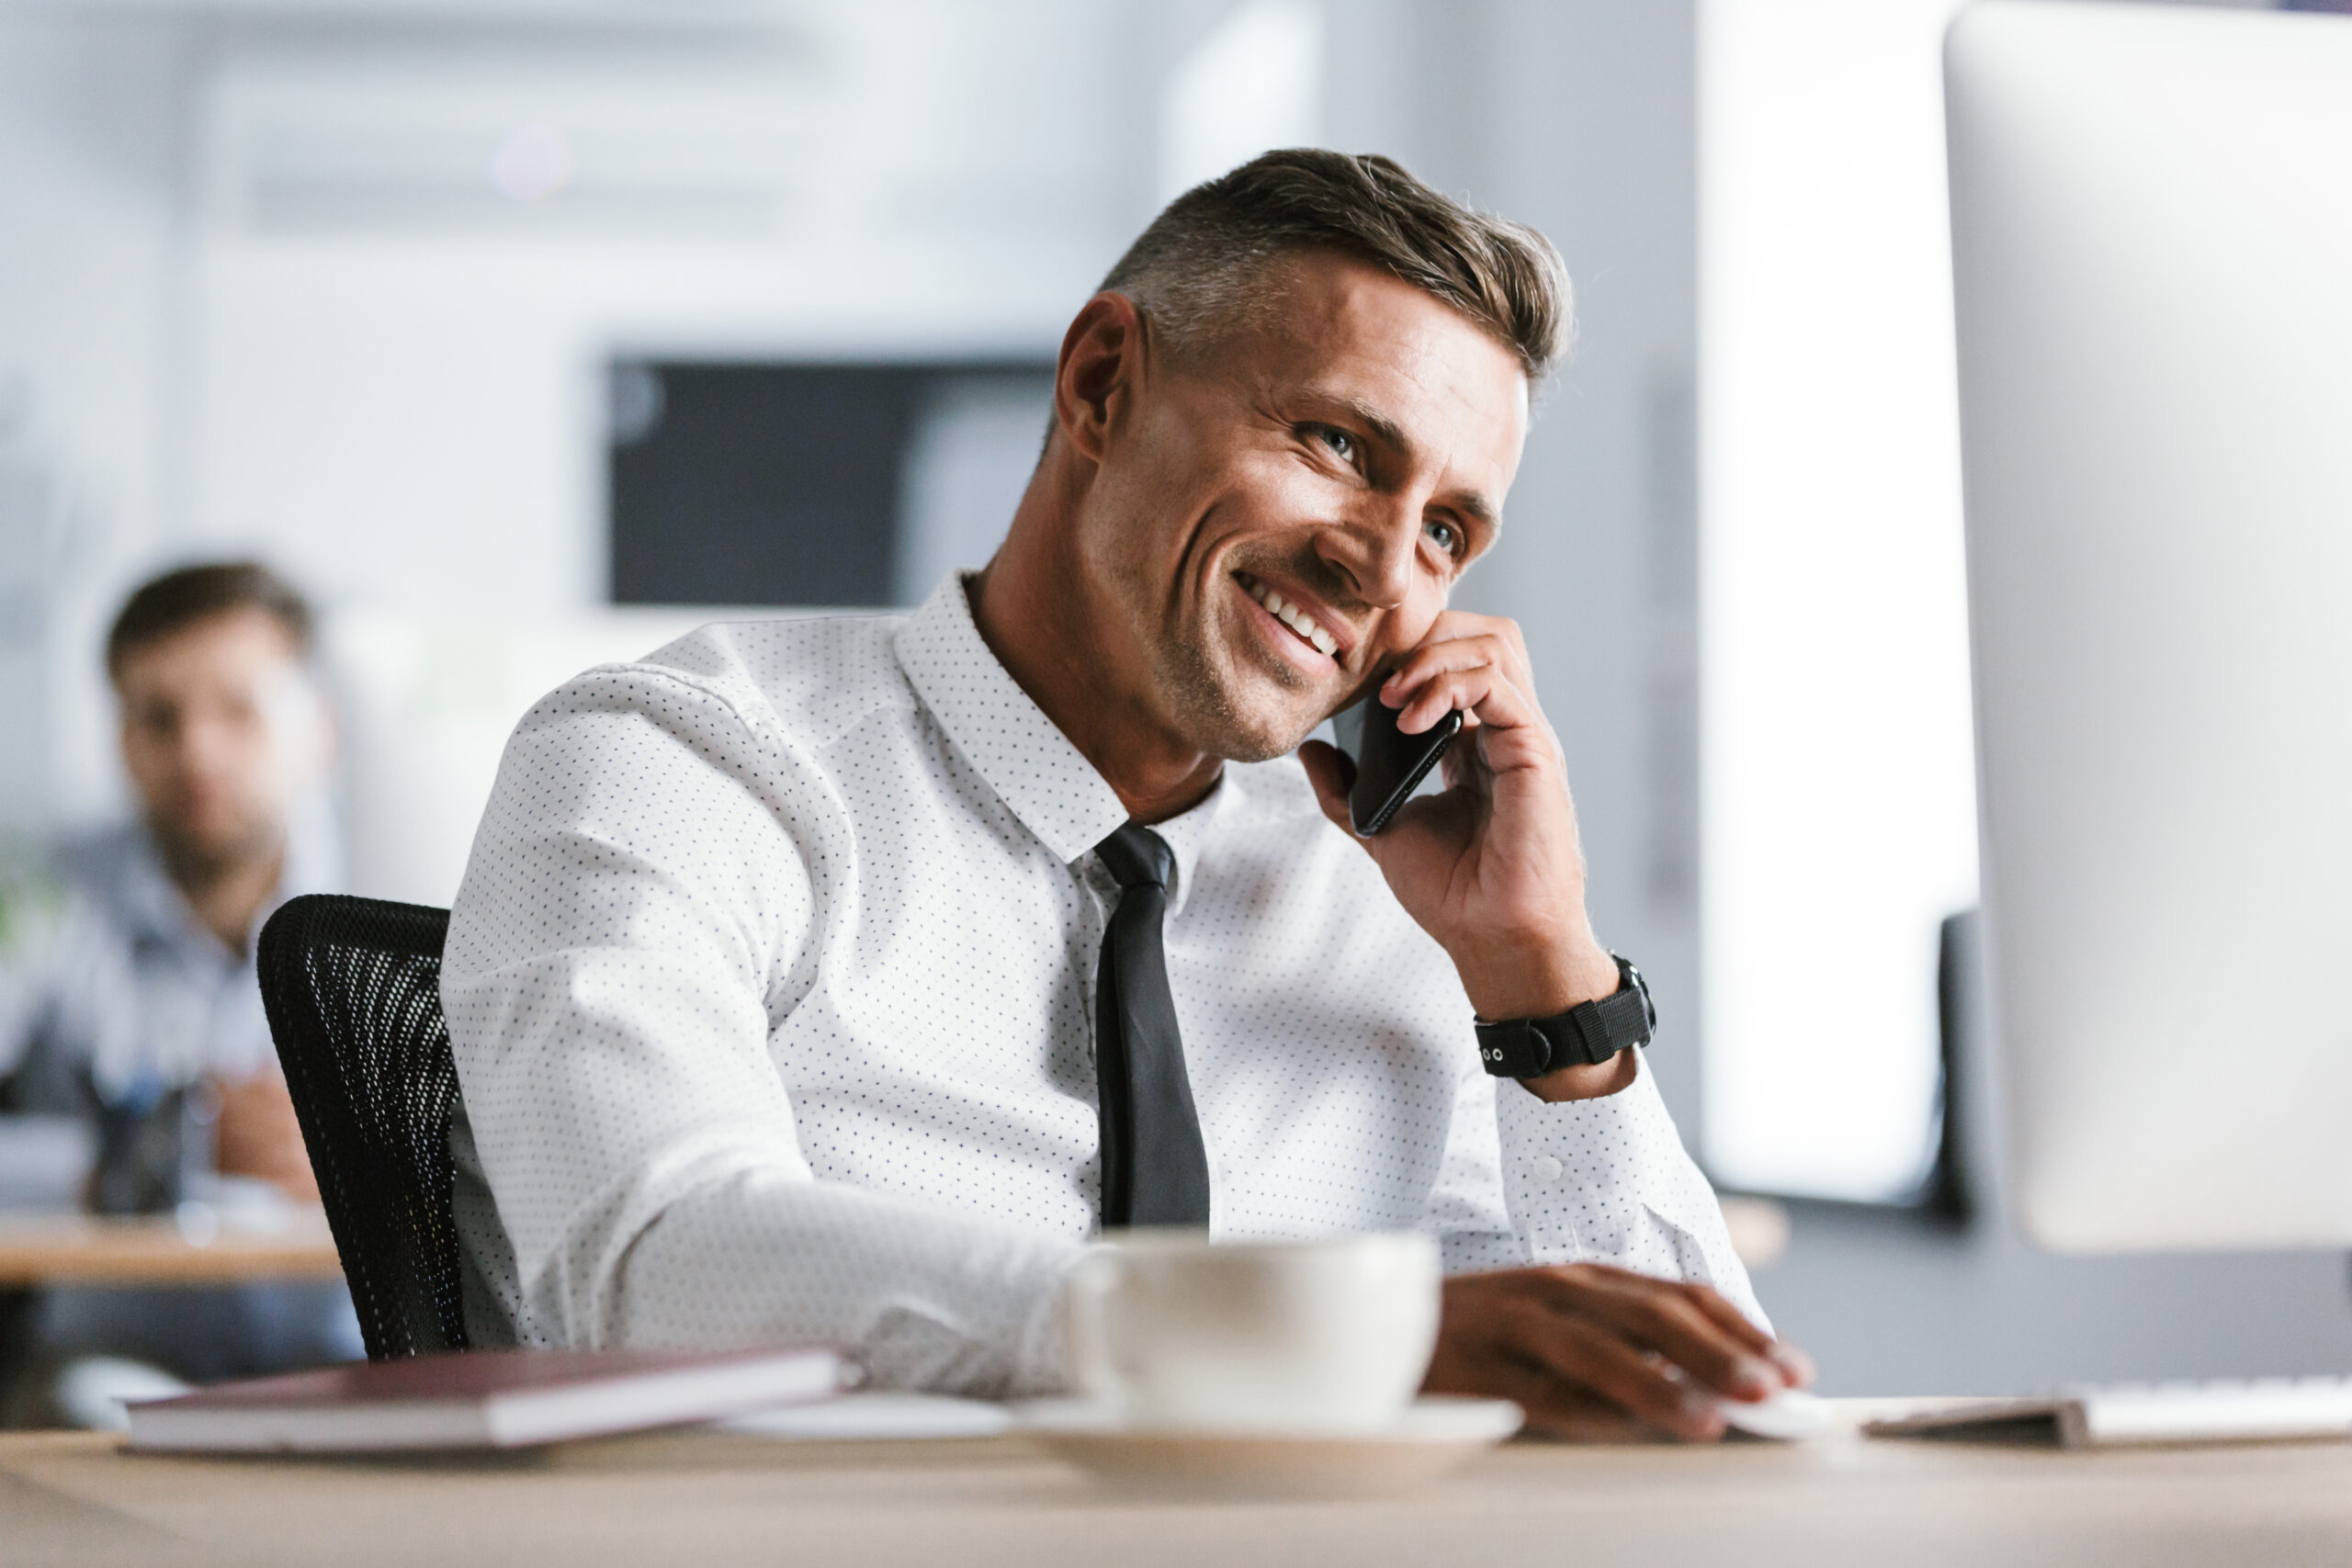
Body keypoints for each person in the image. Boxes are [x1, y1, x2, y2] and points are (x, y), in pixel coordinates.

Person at [446, 151, 1812, 1440]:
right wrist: (1302, 1339)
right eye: (1338, 442)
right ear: (1103, 385)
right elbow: (647, 1257)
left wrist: (1541, 976)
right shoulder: (682, 764)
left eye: (1447, 530)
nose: (1382, 570)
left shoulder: (1385, 905)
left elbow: (1699, 1399)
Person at [0, 561, 362, 1426]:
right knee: (80, 1424)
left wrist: (368, 1167)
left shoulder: (411, 897)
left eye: (239, 710)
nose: (197, 750)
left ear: (320, 729)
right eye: (157, 716)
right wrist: (141, 1163)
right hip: (117, 1369)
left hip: (351, 1361)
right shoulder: (40, 898)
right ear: (120, 738)